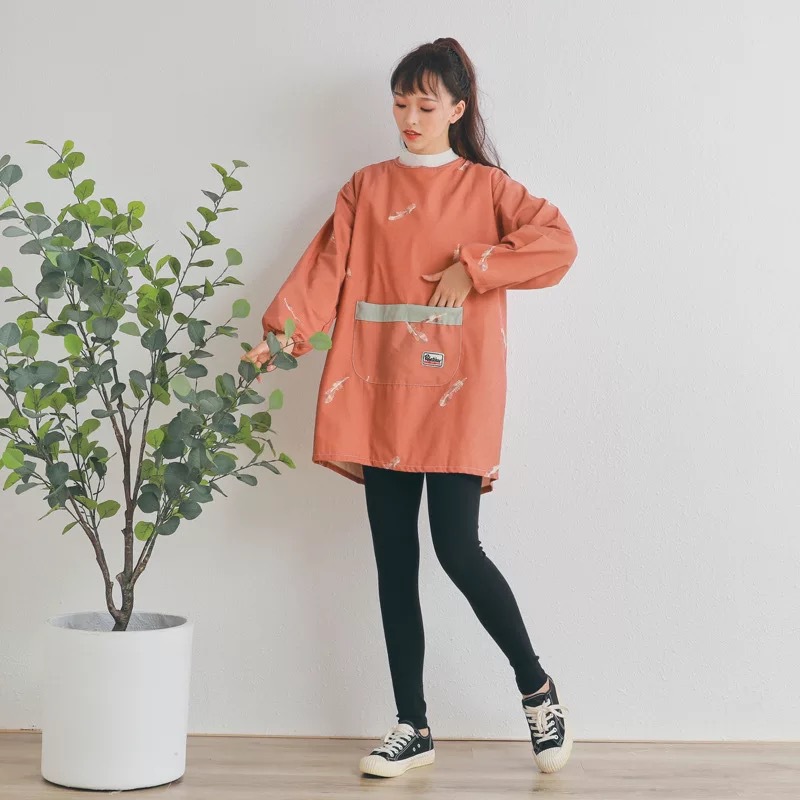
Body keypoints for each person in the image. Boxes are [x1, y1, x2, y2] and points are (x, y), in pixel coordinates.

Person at [243, 37, 579, 779]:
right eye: (400, 104)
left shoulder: (488, 190)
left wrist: (476, 266)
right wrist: (282, 336)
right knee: (394, 561)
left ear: (458, 109)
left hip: (459, 391)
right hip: (378, 386)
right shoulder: (366, 188)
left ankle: (536, 688)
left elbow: (558, 244)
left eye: (426, 105)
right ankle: (412, 725)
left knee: (458, 550)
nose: (410, 119)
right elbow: (326, 265)